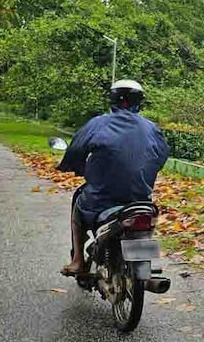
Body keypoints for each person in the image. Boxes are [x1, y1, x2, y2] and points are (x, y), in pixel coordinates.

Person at [57, 80, 170, 276]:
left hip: (101, 199)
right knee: (146, 217)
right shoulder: (152, 129)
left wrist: (75, 167)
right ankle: (145, 263)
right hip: (140, 199)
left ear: (113, 99)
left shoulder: (98, 123)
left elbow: (75, 149)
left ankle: (77, 261)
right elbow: (161, 155)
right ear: (139, 102)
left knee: (78, 205)